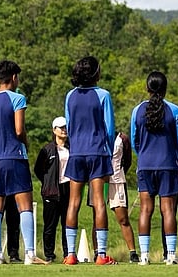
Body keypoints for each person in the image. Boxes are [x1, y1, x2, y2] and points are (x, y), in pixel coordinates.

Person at [0, 60, 45, 265]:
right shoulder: (17, 98)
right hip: (13, 156)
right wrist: (26, 141)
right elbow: (18, 129)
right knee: (24, 206)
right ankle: (30, 254)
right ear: (14, 77)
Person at [62, 56, 118, 265]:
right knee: (98, 202)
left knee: (73, 203)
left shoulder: (70, 96)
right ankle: (101, 255)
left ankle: (69, 255)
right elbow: (109, 128)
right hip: (97, 152)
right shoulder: (103, 95)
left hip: (76, 153)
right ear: (95, 73)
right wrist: (109, 152)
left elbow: (69, 124)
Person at [130, 71, 178, 265]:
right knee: (168, 210)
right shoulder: (174, 110)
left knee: (145, 210)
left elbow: (134, 142)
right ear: (165, 88)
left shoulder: (137, 111)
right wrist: (172, 158)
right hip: (167, 165)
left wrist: (143, 156)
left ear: (147, 88)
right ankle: (170, 255)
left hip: (145, 165)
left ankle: (144, 256)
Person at [33, 117, 70, 263]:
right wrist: (47, 182)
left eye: (65, 127)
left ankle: (69, 253)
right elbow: (38, 169)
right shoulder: (47, 149)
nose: (64, 130)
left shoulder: (71, 148)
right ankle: (49, 254)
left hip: (68, 189)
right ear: (54, 130)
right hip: (51, 191)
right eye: (60, 127)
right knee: (50, 224)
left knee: (67, 223)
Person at [108, 130, 141, 263]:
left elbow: (127, 161)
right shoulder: (94, 133)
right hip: (97, 179)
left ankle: (132, 253)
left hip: (116, 180)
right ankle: (98, 252)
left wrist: (119, 173)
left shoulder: (122, 138)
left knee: (123, 218)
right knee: (97, 215)